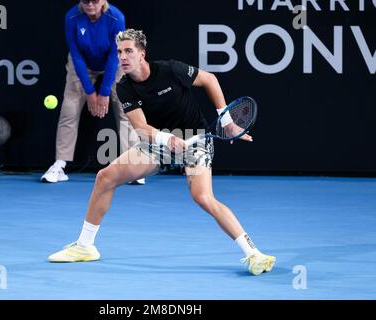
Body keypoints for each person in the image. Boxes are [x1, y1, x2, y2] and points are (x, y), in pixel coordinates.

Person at [48, 29, 275, 275]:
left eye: (128, 51)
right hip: (158, 142)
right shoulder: (124, 87)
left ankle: (254, 253)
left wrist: (226, 120)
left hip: (195, 141)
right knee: (105, 177)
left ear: (142, 54)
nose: (122, 57)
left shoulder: (170, 70)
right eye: (119, 52)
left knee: (203, 198)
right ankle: (85, 246)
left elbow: (209, 79)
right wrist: (167, 139)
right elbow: (141, 128)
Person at [41, 0, 144, 185]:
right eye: (85, 0)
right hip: (82, 65)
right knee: (69, 109)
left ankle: (134, 166)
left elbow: (115, 54)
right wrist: (89, 91)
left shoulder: (116, 18)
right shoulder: (72, 17)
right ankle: (60, 164)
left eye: (94, 0)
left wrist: (104, 91)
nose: (89, 4)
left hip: (114, 63)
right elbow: (76, 53)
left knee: (125, 110)